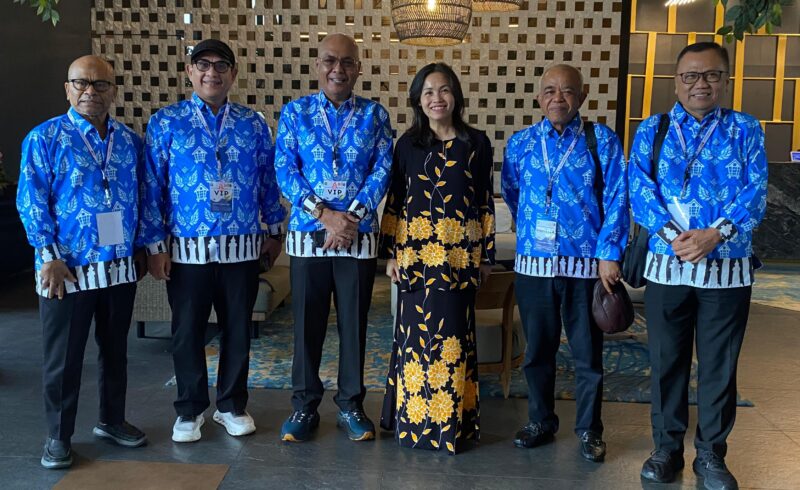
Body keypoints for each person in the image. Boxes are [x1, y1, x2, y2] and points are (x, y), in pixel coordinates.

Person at [630, 42, 767, 490]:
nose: (700, 84)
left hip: (726, 267)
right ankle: (667, 447)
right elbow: (640, 190)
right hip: (668, 269)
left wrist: (715, 235)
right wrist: (676, 239)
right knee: (667, 361)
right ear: (676, 81)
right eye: (690, 76)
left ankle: (710, 454)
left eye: (710, 75)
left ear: (726, 80)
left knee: (718, 366)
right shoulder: (652, 129)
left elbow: (756, 191)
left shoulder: (746, 129)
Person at [138, 39, 286, 443]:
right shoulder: (166, 123)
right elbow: (153, 188)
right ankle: (188, 410)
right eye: (203, 64)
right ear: (189, 71)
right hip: (187, 251)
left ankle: (231, 405)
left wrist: (275, 230)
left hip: (241, 248)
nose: (212, 72)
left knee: (238, 329)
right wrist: (155, 246)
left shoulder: (252, 123)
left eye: (222, 65)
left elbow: (267, 181)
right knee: (187, 332)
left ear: (233, 74)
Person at [17, 55, 148, 469]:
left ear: (113, 90)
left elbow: (142, 198)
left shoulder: (129, 141)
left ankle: (111, 419)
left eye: (100, 84)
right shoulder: (44, 138)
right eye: (81, 83)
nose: (90, 91)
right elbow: (31, 200)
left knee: (115, 353)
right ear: (67, 88)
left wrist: (143, 246)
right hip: (66, 272)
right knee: (64, 358)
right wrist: (49, 254)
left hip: (118, 268)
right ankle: (58, 436)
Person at [501, 64, 629, 462]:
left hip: (586, 269)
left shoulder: (601, 141)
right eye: (550, 91)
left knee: (587, 354)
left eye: (568, 91)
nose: (559, 97)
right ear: (539, 97)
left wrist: (609, 253)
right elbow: (512, 192)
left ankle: (590, 430)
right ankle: (541, 420)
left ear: (583, 96)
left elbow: (618, 199)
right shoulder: (521, 143)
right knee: (537, 350)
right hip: (534, 268)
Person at [274, 33, 393, 442]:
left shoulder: (375, 115)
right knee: (306, 325)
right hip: (309, 236)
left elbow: (383, 169)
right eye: (329, 61)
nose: (337, 69)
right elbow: (285, 171)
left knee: (354, 325)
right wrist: (324, 215)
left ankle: (351, 405)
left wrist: (351, 219)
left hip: (357, 239)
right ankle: (304, 407)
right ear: (317, 65)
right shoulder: (295, 113)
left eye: (346, 62)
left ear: (359, 68)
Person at [377, 62, 495, 454]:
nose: (436, 98)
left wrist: (485, 256)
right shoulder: (408, 145)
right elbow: (396, 200)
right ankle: (413, 424)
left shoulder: (476, 143)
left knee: (451, 343)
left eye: (443, 90)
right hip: (414, 261)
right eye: (428, 92)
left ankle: (450, 424)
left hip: (458, 262)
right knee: (415, 342)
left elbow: (483, 204)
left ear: (456, 96)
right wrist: (389, 253)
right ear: (418, 100)